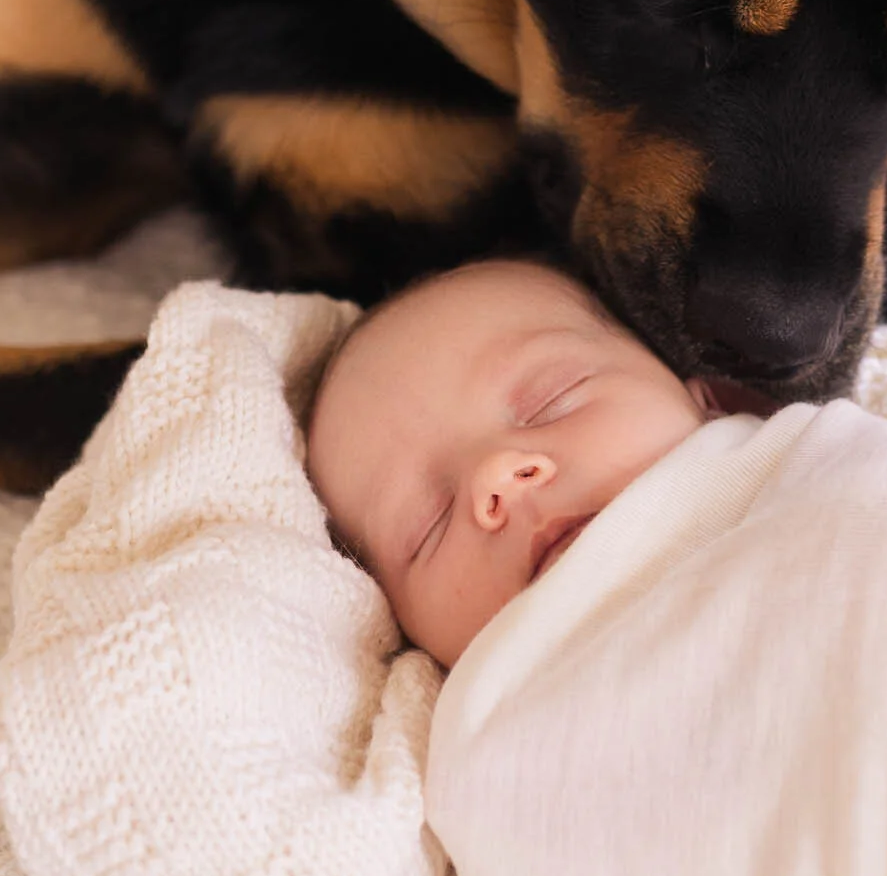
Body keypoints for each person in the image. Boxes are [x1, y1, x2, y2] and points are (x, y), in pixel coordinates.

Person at [304, 257, 725, 665]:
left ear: (713, 399)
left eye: (552, 400)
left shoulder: (765, 480)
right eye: (429, 525)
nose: (497, 475)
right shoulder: (487, 702)